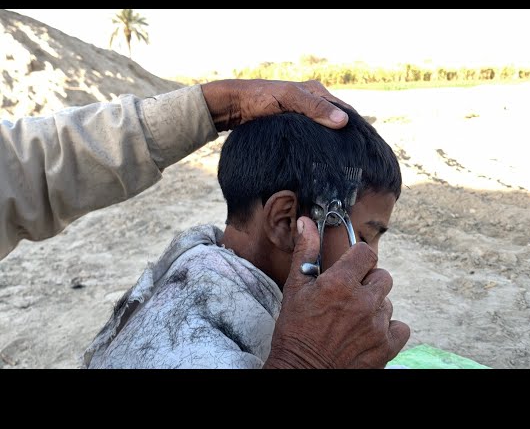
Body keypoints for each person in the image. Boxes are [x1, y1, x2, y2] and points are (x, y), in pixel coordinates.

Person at [0, 79, 410, 369]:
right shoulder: (182, 347)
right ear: (287, 222)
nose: (371, 260)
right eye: (367, 235)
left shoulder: (206, 265)